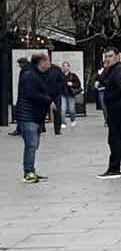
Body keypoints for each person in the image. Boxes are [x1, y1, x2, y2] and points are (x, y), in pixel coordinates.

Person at [95, 49, 121, 178]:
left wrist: (108, 98)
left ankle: (114, 168)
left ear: (117, 56)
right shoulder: (112, 69)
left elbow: (120, 88)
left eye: (111, 56)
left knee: (115, 138)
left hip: (119, 108)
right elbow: (100, 80)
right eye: (106, 56)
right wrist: (105, 68)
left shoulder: (118, 69)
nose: (108, 58)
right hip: (119, 107)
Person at [15, 52, 53, 184]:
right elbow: (31, 94)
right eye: (48, 61)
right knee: (31, 145)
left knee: (33, 145)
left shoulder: (37, 74)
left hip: (35, 115)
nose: (49, 64)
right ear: (41, 62)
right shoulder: (30, 74)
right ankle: (28, 173)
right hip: (27, 115)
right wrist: (48, 100)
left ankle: (30, 170)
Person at [39, 53, 67, 136]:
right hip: (45, 93)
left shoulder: (57, 69)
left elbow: (61, 80)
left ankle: (57, 130)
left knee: (57, 112)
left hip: (56, 94)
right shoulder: (41, 69)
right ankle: (41, 128)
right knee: (42, 111)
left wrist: (59, 89)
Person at [60, 62, 81, 128]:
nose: (65, 67)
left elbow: (78, 84)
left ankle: (73, 120)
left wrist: (72, 84)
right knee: (63, 109)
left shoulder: (73, 75)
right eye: (64, 66)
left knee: (71, 109)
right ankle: (63, 122)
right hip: (62, 94)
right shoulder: (60, 75)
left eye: (66, 66)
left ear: (69, 67)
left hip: (71, 94)